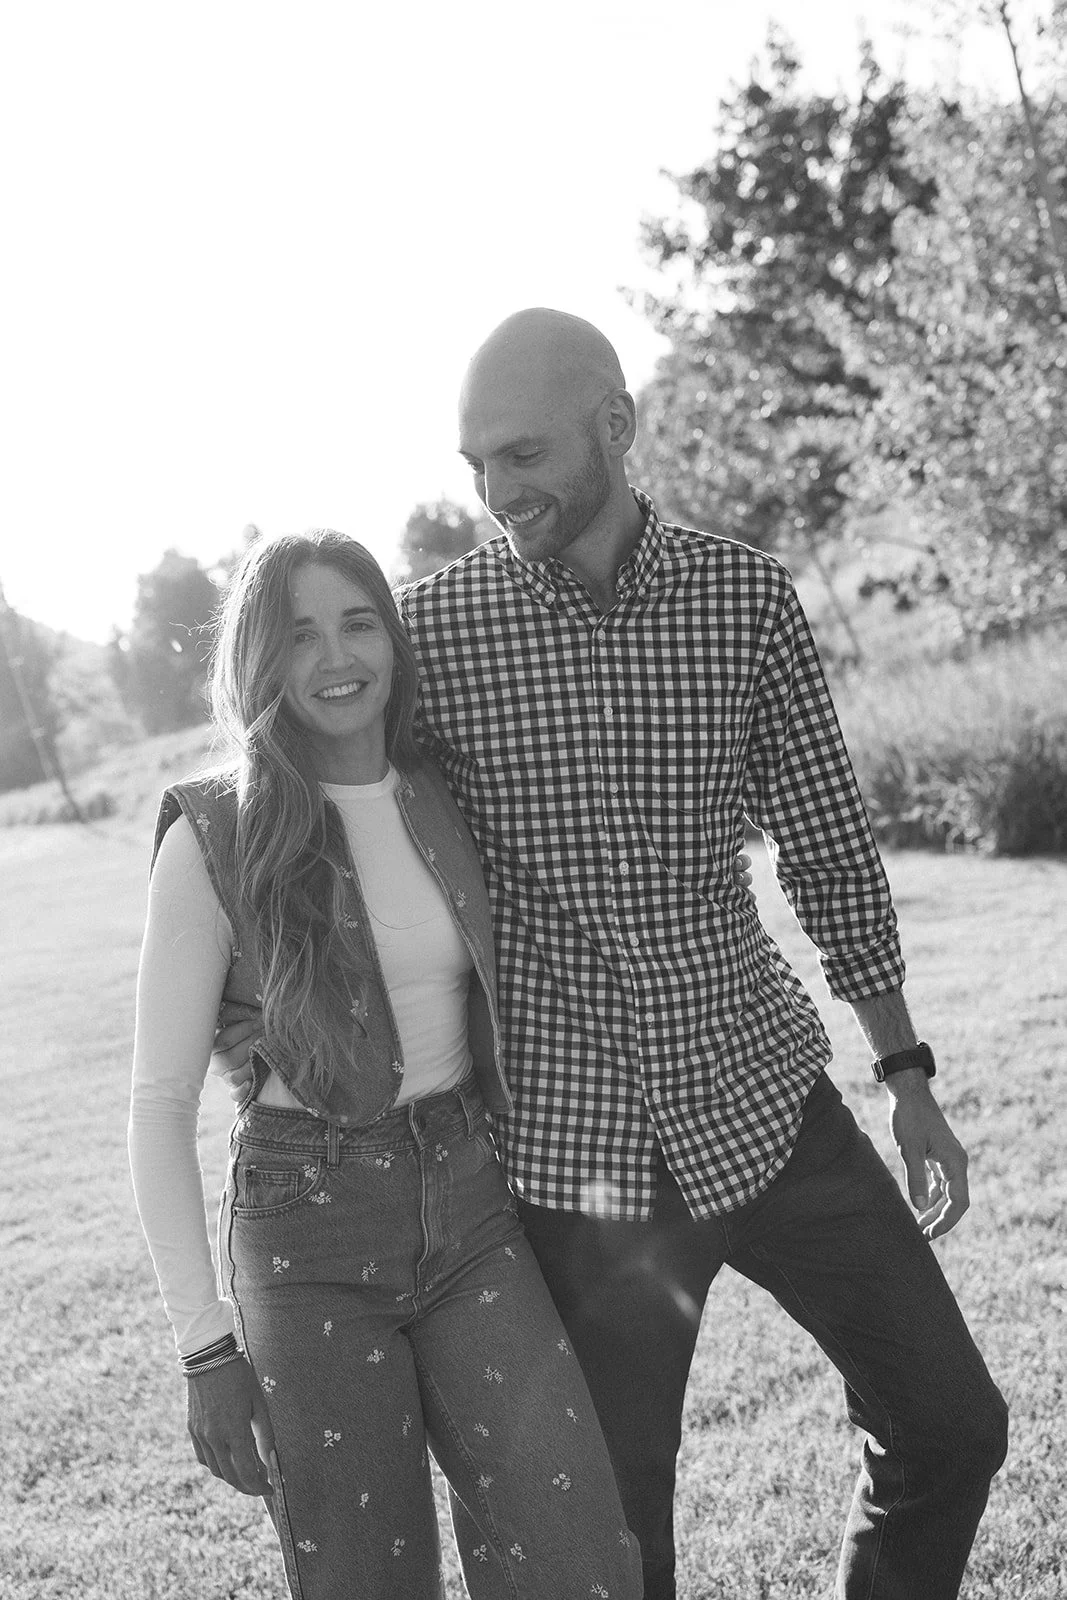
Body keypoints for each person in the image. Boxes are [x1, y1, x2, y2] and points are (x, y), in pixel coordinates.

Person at [393, 309, 1009, 1600]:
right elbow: (318, 779)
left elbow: (829, 846)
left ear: (614, 427)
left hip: (767, 1106)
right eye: (473, 467)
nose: (496, 494)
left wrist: (903, 1073)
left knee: (950, 1422)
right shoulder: (432, 637)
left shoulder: (745, 598)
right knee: (621, 1544)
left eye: (520, 455)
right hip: (583, 1163)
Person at [128, 529, 643, 1600]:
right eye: (300, 634)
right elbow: (159, 1100)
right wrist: (204, 1348)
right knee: (367, 1576)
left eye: (358, 621)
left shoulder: (438, 792)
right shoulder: (218, 830)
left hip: (467, 1200)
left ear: (393, 641)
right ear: (260, 662)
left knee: (576, 1548)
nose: (335, 656)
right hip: (304, 1222)